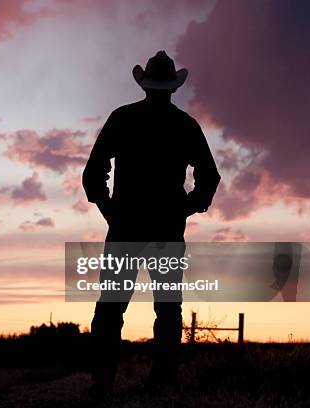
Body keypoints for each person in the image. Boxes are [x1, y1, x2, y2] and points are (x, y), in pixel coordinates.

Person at [82, 50, 221, 395]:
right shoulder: (185, 125)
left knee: (112, 307)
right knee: (168, 309)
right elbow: (210, 177)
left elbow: (92, 173)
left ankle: (102, 383)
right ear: (173, 87)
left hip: (126, 228)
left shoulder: (123, 118)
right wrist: (184, 210)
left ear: (145, 85)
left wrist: (110, 212)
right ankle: (162, 382)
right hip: (166, 230)